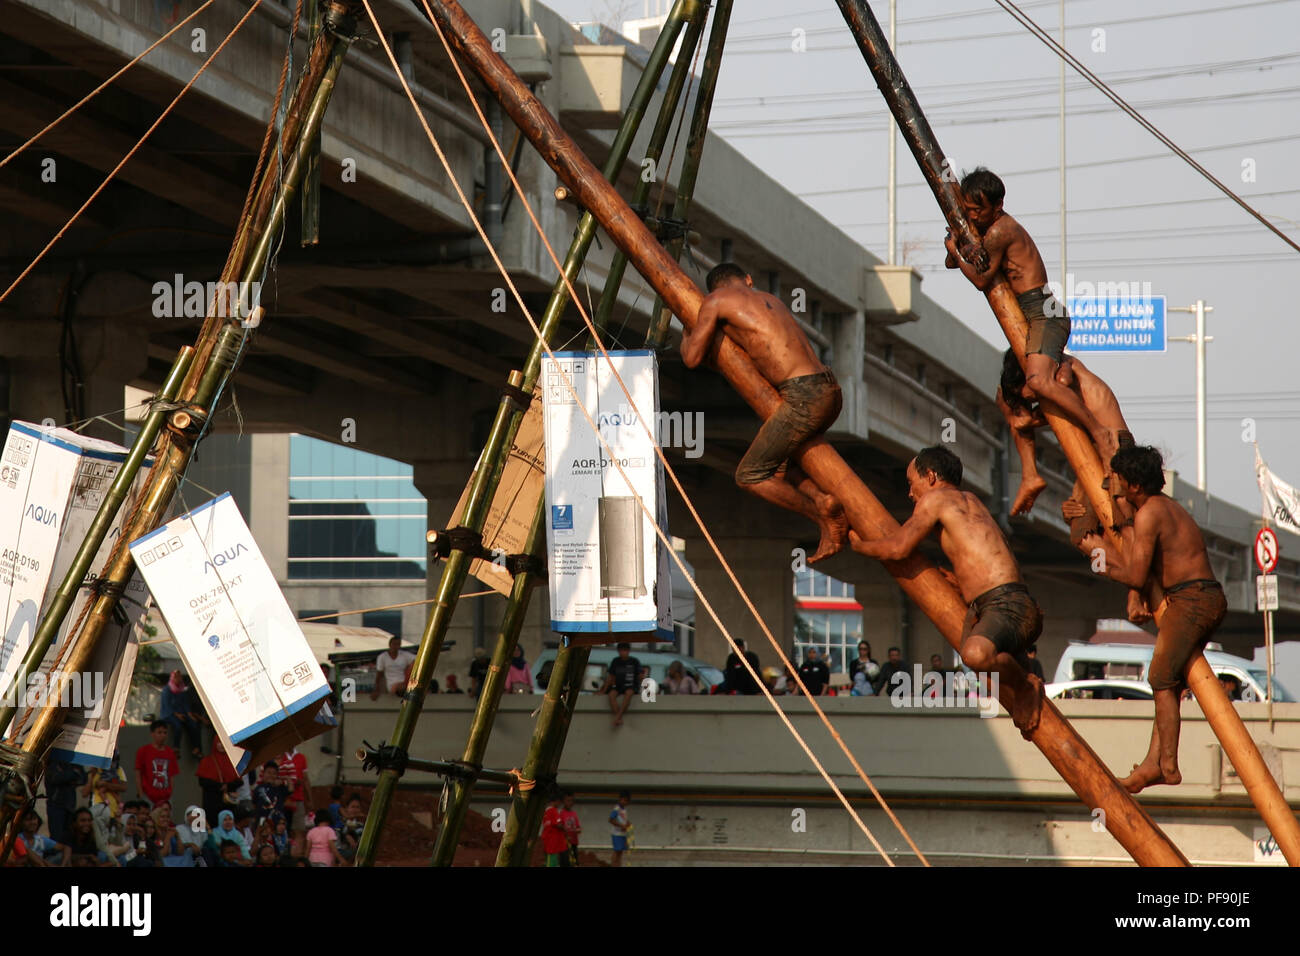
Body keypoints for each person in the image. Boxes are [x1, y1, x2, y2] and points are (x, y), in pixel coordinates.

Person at [849, 446, 1045, 737]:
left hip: (1003, 606)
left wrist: (859, 546)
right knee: (993, 682)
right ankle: (1022, 687)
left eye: (911, 482)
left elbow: (898, 548)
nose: (909, 492)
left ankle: (1026, 686)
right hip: (1012, 605)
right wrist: (960, 583)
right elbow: (984, 556)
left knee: (975, 655)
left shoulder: (935, 499)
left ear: (930, 477)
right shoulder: (972, 501)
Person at [1076, 445, 1228, 793]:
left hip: (1192, 601)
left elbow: (1135, 575)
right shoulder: (1165, 506)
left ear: (1133, 485)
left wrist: (1099, 555)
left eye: (1118, 480)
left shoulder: (1150, 515)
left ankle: (1169, 766)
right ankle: (1151, 763)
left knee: (1160, 678)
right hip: (1203, 597)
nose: (1114, 485)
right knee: (1169, 683)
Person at [682, 262, 846, 564]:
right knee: (782, 469)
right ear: (748, 278)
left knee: (750, 475)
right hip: (830, 390)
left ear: (714, 289)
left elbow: (692, 358)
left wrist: (686, 330)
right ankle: (824, 499)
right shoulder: (772, 300)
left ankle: (822, 514)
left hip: (803, 397)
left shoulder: (715, 302)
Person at [944, 168, 1110, 457]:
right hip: (1031, 320)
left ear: (998, 207)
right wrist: (958, 237)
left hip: (1044, 314)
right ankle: (1033, 466)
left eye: (978, 211)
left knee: (1037, 381)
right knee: (1009, 393)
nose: (973, 217)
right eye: (968, 211)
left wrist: (957, 252)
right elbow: (951, 264)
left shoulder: (1001, 231)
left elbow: (981, 279)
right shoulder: (983, 227)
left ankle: (1098, 431)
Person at [196, 736, 241, 825]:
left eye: (224, 742)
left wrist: (227, 786)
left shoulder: (232, 761)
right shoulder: (207, 761)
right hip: (212, 802)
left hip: (228, 803)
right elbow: (202, 781)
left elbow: (239, 781)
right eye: (219, 742)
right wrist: (219, 786)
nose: (221, 745)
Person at [134, 719, 179, 808]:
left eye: (165, 733)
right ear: (152, 734)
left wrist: (170, 794)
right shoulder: (143, 751)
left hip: (166, 798)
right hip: (148, 796)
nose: (163, 735)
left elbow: (172, 776)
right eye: (159, 732)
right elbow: (138, 773)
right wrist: (141, 793)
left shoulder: (170, 752)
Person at [599, 642, 643, 727]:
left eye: (625, 651)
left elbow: (640, 676)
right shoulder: (616, 661)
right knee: (611, 695)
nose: (623, 653)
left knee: (628, 694)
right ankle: (618, 717)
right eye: (621, 651)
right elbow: (610, 677)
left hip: (631, 685)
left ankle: (618, 716)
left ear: (628, 651)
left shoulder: (634, 661)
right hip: (618, 686)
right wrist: (604, 690)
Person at [160, 670, 203, 758]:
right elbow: (167, 705)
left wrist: (189, 714)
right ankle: (176, 748)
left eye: (180, 677)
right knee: (178, 726)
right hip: (169, 714)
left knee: (193, 724)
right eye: (177, 677)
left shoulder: (182, 690)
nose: (179, 679)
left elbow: (185, 704)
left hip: (182, 714)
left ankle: (196, 748)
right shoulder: (167, 690)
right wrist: (177, 714)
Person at [43, 758, 85, 847]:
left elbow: (83, 778)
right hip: (56, 805)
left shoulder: (74, 762)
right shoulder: (53, 762)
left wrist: (67, 775)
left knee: (69, 839)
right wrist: (73, 774)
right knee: (57, 839)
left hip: (70, 806)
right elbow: (55, 778)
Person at [276, 747, 311, 828]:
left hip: (298, 798)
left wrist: (309, 799)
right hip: (281, 800)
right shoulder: (279, 757)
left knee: (298, 828)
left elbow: (305, 779)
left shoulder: (301, 757)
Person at [371, 635, 415, 700]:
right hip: (392, 685)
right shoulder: (382, 657)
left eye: (398, 644)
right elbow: (379, 674)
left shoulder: (404, 655)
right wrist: (377, 689)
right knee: (403, 688)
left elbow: (417, 659)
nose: (396, 646)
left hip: (405, 682)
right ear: (390, 645)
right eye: (394, 644)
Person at [252, 761, 289, 825]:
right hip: (261, 821)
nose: (271, 775)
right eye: (268, 772)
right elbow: (254, 804)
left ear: (277, 775)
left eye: (274, 773)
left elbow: (291, 789)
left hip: (277, 821)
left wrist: (284, 778)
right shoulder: (258, 788)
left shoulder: (280, 788)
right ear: (263, 774)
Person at [541, 792, 571, 867]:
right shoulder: (553, 811)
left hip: (548, 841)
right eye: (559, 802)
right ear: (556, 801)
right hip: (553, 844)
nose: (560, 804)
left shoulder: (546, 811)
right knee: (552, 862)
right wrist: (565, 830)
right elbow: (559, 824)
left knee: (551, 861)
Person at [609, 791, 631, 867]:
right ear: (620, 799)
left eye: (626, 801)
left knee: (620, 852)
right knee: (616, 851)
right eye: (623, 800)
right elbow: (611, 819)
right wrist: (621, 826)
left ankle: (618, 865)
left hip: (623, 834)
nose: (624, 802)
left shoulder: (624, 810)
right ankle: (613, 864)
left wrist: (627, 823)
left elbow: (623, 820)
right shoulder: (616, 809)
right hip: (617, 833)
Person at [560, 791, 582, 867]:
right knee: (565, 862)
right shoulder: (561, 814)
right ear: (563, 801)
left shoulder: (574, 814)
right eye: (568, 801)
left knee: (575, 862)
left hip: (574, 842)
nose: (570, 803)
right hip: (564, 844)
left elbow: (578, 827)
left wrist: (577, 830)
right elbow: (560, 828)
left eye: (571, 801)